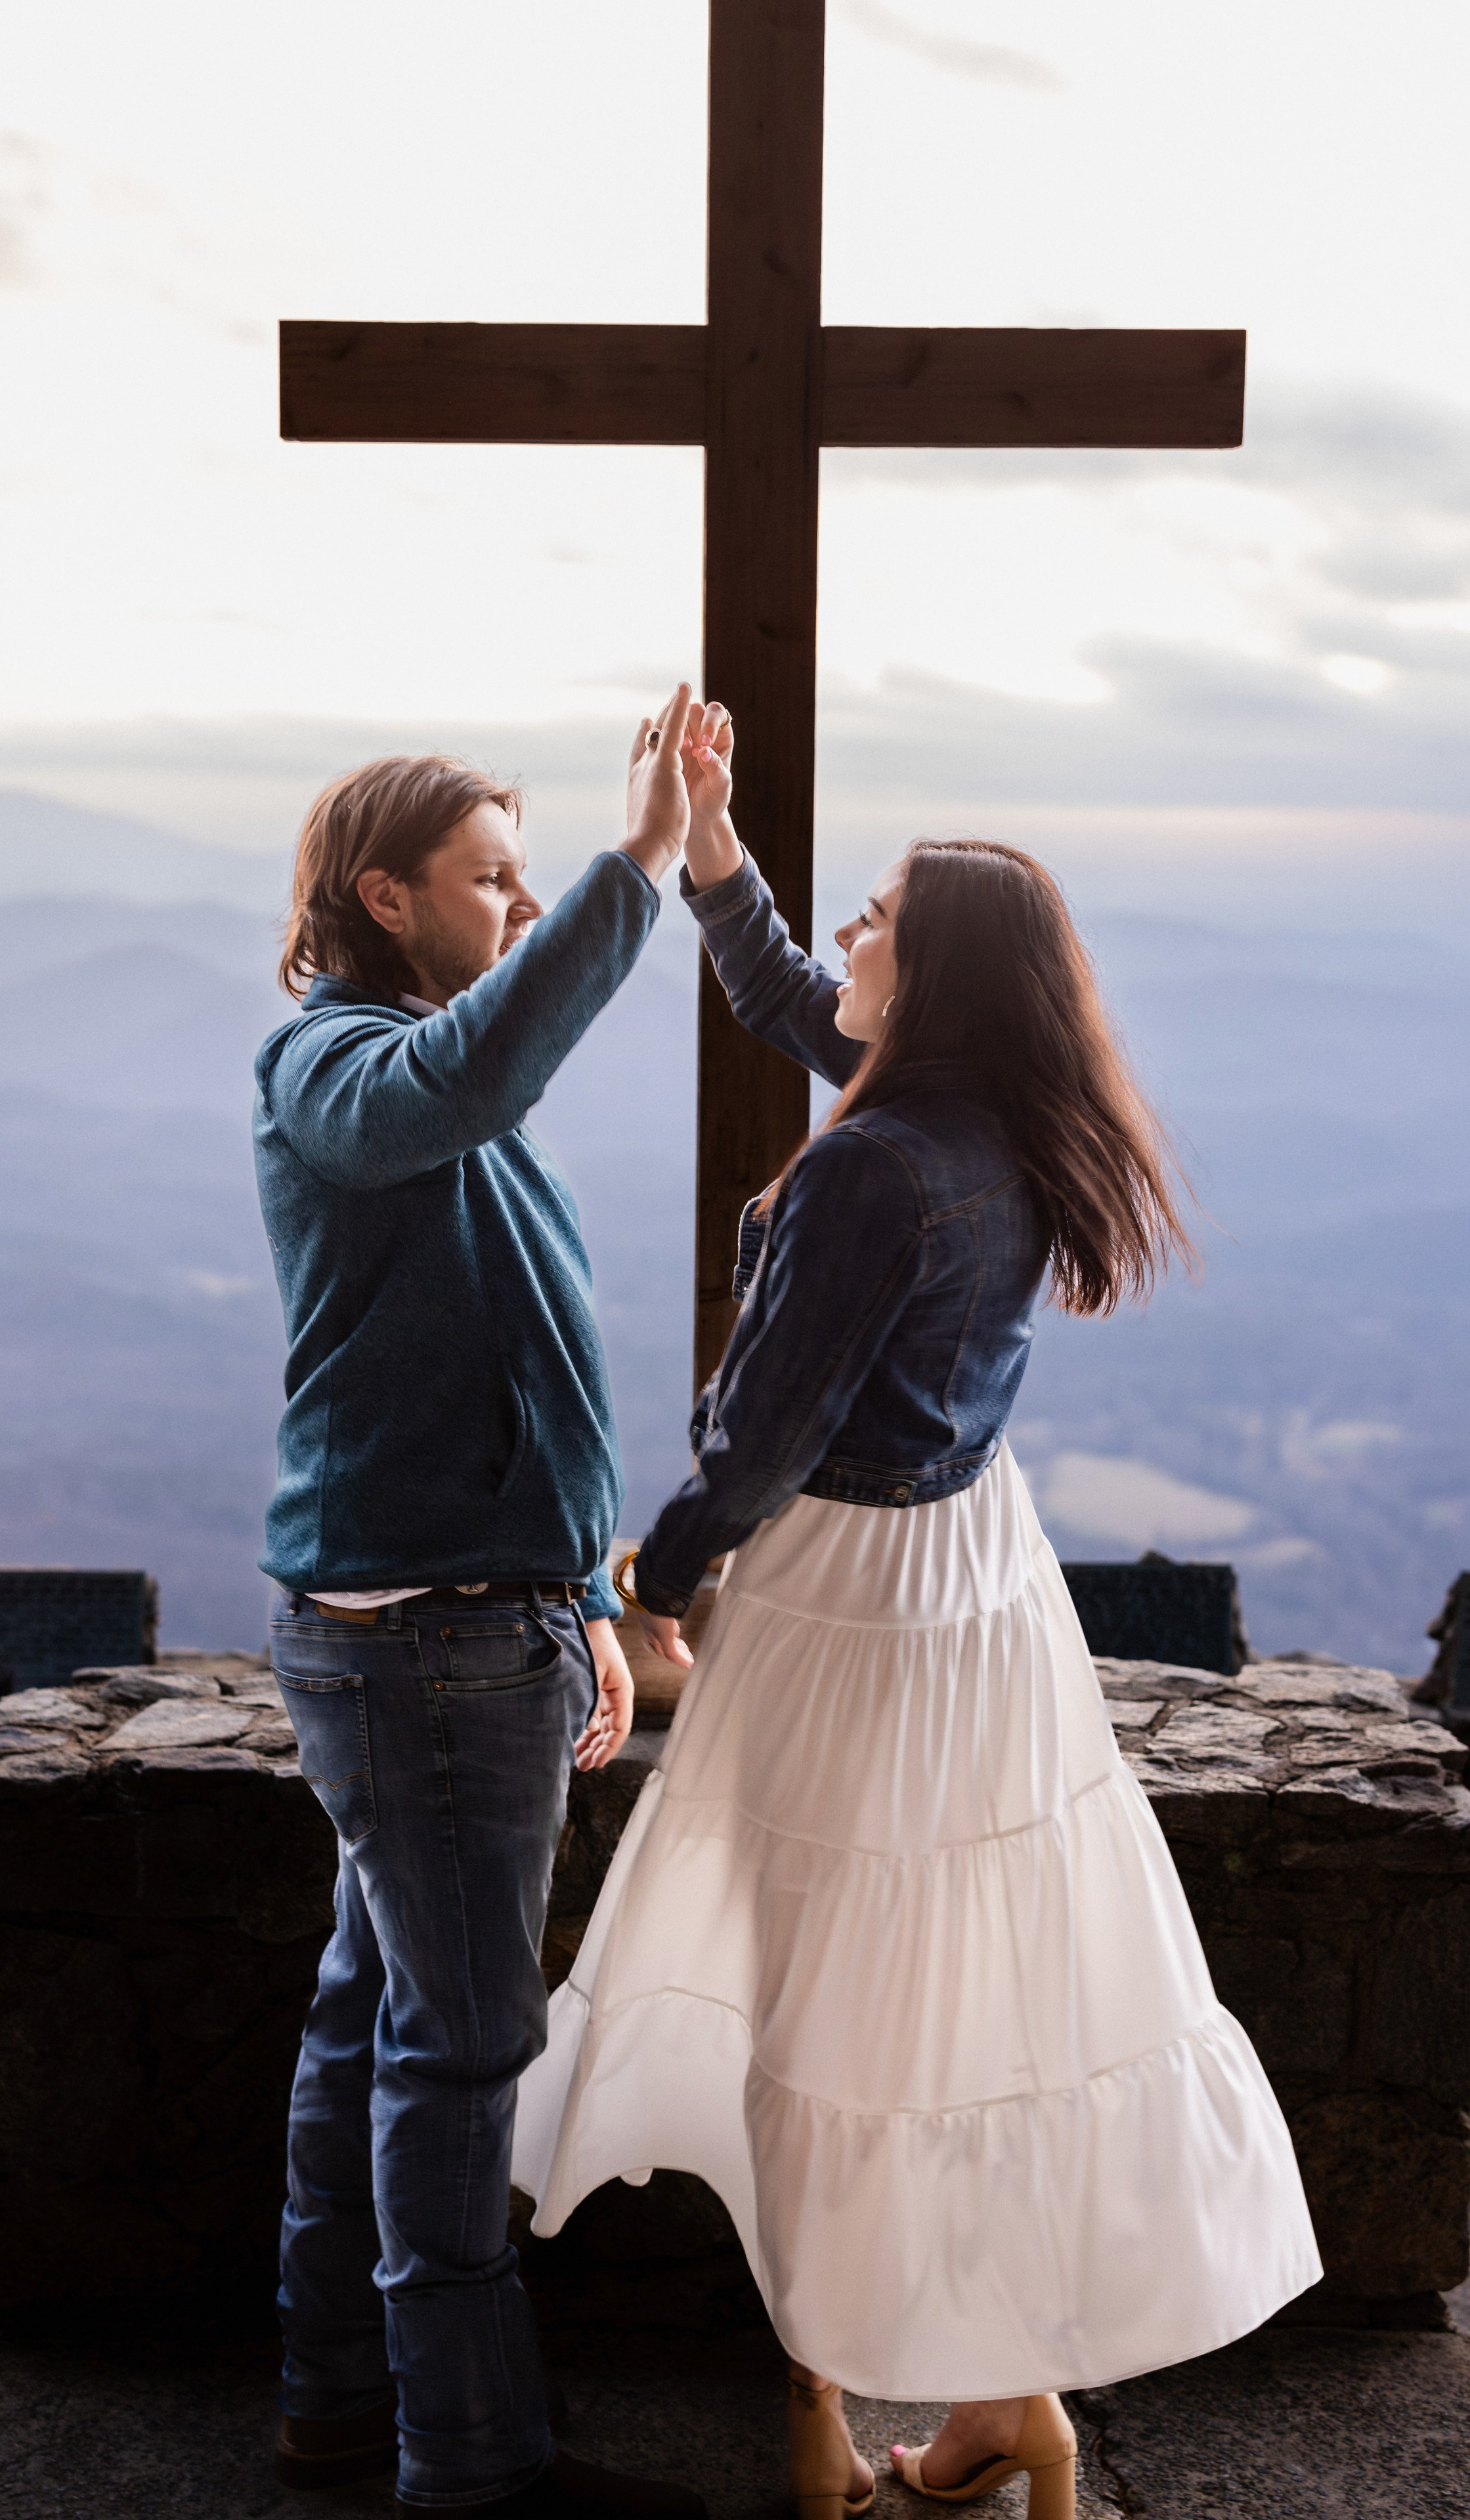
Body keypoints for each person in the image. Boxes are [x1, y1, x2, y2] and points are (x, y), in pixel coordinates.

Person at [514, 704, 1322, 2519]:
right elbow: (817, 1016)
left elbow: (761, 1440)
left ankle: (818, 2412)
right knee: (966, 2008)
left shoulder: (878, 1168)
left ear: (940, 981)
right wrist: (715, 863)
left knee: (817, 2016)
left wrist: (650, 1579)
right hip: (974, 1589)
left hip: (844, 1608)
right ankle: (1003, 2407)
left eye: (876, 915)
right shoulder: (1000, 1121)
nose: (850, 937)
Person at [253, 687, 707, 2519]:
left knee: (374, 2012)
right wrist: (649, 863)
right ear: (382, 896)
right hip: (423, 1641)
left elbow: (530, 1360)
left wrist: (582, 1585)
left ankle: (333, 2397)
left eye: (532, 880)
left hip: (472, 1611)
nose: (519, 910)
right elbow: (479, 1074)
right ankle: (470, 2460)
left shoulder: (430, 1072)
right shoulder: (339, 1070)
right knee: (460, 2051)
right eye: (493, 879)